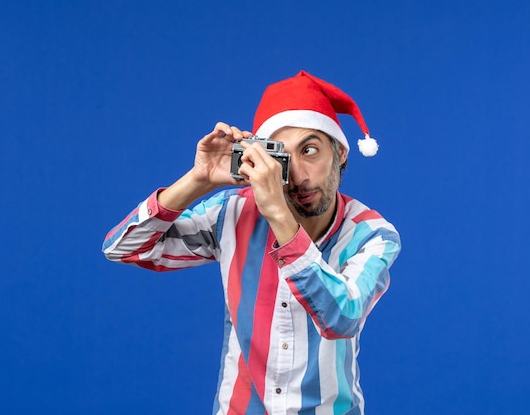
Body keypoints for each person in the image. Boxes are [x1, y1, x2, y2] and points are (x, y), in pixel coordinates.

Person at [102, 70, 401, 415]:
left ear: (340, 153)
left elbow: (341, 319)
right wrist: (198, 180)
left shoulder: (372, 234)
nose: (300, 176)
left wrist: (280, 216)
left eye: (310, 150)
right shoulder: (233, 212)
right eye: (282, 158)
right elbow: (124, 248)